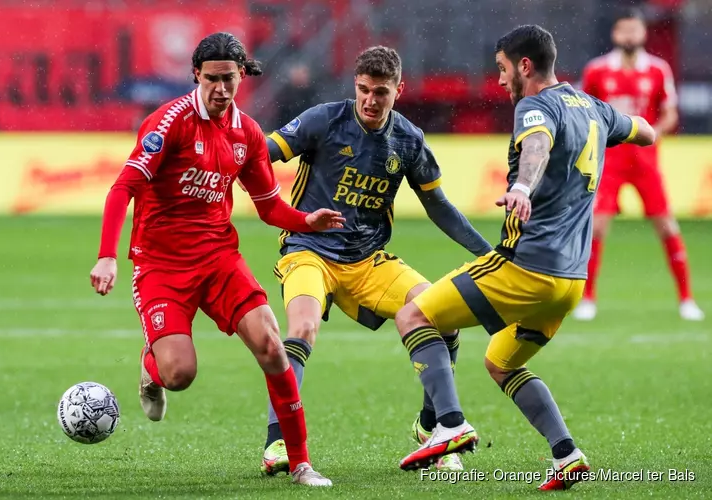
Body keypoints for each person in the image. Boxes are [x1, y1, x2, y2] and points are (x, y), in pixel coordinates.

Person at [393, 25, 655, 491]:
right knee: (502, 361)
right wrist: (609, 134)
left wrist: (521, 185)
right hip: (570, 283)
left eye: (502, 69)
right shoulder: (593, 107)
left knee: (413, 315)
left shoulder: (535, 106)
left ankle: (449, 424)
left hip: (527, 267)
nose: (499, 81)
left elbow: (536, 145)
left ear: (525, 66)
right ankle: (566, 454)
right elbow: (647, 132)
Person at [88, 32, 344, 487]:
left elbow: (269, 208)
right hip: (161, 266)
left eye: (229, 79)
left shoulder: (246, 132)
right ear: (196, 76)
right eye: (212, 79)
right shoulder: (168, 123)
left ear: (241, 76)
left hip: (219, 258)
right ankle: (152, 366)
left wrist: (308, 221)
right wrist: (108, 257)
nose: (221, 89)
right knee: (180, 374)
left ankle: (300, 462)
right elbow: (121, 189)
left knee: (271, 346)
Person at [259, 45, 492, 476]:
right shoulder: (323, 120)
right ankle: (277, 444)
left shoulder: (408, 139)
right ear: (355, 85)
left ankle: (433, 428)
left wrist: (488, 254)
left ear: (398, 90)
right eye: (363, 89)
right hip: (309, 250)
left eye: (380, 92)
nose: (370, 99)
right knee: (303, 327)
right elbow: (260, 155)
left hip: (368, 259)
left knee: (444, 315)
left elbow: (438, 205)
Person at [575, 8, 704, 321]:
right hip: (611, 162)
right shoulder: (597, 70)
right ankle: (587, 299)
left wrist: (652, 134)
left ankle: (686, 299)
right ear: (615, 35)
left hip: (645, 163)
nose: (629, 36)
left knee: (667, 226)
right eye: (624, 31)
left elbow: (670, 112)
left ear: (643, 34)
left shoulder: (658, 70)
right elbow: (582, 110)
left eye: (634, 30)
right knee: (597, 228)